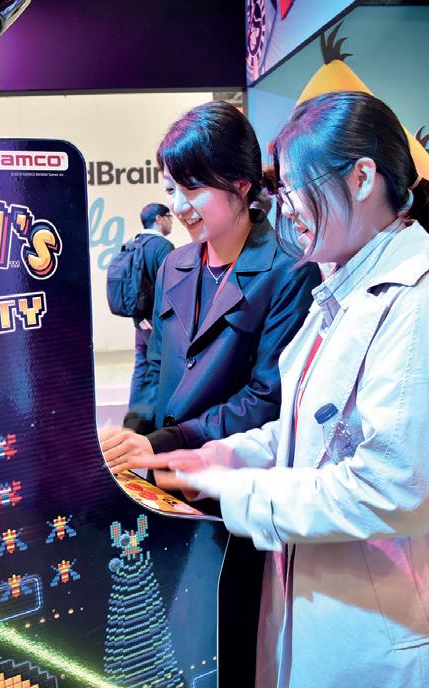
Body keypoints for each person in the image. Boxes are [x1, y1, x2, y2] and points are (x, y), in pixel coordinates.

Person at [133, 92, 429, 687]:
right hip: (341, 600)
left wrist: (238, 489)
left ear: (362, 178)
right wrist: (225, 455)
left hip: (405, 628)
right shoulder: (344, 289)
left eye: (294, 190)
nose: (286, 210)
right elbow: (310, 429)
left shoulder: (428, 308)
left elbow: (391, 489)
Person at [100, 100, 321, 681]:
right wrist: (131, 439)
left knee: (225, 639)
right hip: (161, 482)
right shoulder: (173, 264)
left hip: (231, 489)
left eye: (193, 188)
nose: (178, 207)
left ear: (242, 185)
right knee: (166, 639)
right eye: (171, 189)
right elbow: (153, 364)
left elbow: (266, 398)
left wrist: (167, 442)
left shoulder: (289, 270)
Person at [127, 203, 175, 409]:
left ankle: (134, 416)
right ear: (159, 219)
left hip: (140, 321)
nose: (171, 221)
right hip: (157, 321)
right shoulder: (163, 247)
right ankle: (158, 414)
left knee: (141, 366)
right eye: (169, 217)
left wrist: (138, 317)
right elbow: (170, 287)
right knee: (165, 367)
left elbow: (130, 285)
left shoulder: (133, 243)